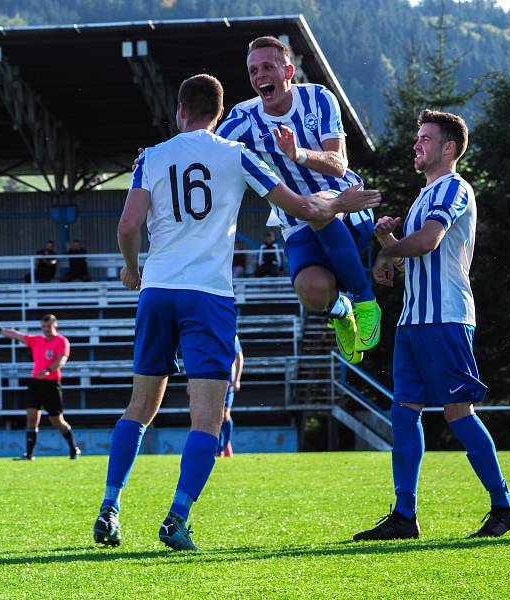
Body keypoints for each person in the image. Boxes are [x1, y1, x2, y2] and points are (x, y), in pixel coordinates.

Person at [92, 73, 380, 551]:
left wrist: (130, 268)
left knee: (139, 406)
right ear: (221, 115)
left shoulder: (152, 157)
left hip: (158, 290)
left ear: (180, 111)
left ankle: (109, 506)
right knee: (205, 418)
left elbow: (128, 225)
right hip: (207, 296)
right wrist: (342, 201)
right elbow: (304, 208)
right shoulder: (237, 154)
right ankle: (176, 517)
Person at [353, 110, 510, 542]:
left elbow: (428, 242)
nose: (417, 145)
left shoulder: (454, 187)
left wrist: (388, 253)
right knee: (403, 412)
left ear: (449, 148)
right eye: (417, 139)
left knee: (458, 413)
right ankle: (404, 515)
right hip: (414, 321)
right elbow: (416, 250)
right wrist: (388, 238)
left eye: (425, 139)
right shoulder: (423, 195)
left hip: (445, 318)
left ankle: (504, 505)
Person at [216, 35, 381, 365]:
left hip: (347, 205)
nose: (259, 76)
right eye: (253, 71)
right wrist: (159, 160)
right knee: (311, 291)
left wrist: (298, 154)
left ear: (288, 70)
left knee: (317, 207)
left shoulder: (319, 98)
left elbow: (339, 164)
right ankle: (341, 311)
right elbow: (205, 150)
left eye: (267, 67)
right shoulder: (244, 118)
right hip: (296, 222)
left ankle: (365, 300)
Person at [0, 314, 80, 460]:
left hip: (52, 383)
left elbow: (62, 359)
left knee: (56, 420)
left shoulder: (62, 341)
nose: (46, 329)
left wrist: (48, 370)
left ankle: (73, 448)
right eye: (44, 327)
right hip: (35, 383)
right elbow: (16, 335)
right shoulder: (37, 340)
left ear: (55, 326)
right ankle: (29, 454)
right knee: (32, 417)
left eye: (49, 326)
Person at [218, 335, 243, 457]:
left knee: (224, 414)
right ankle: (218, 449)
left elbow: (239, 357)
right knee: (213, 413)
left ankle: (226, 444)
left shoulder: (231, 334)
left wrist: (237, 379)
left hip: (228, 377)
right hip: (211, 377)